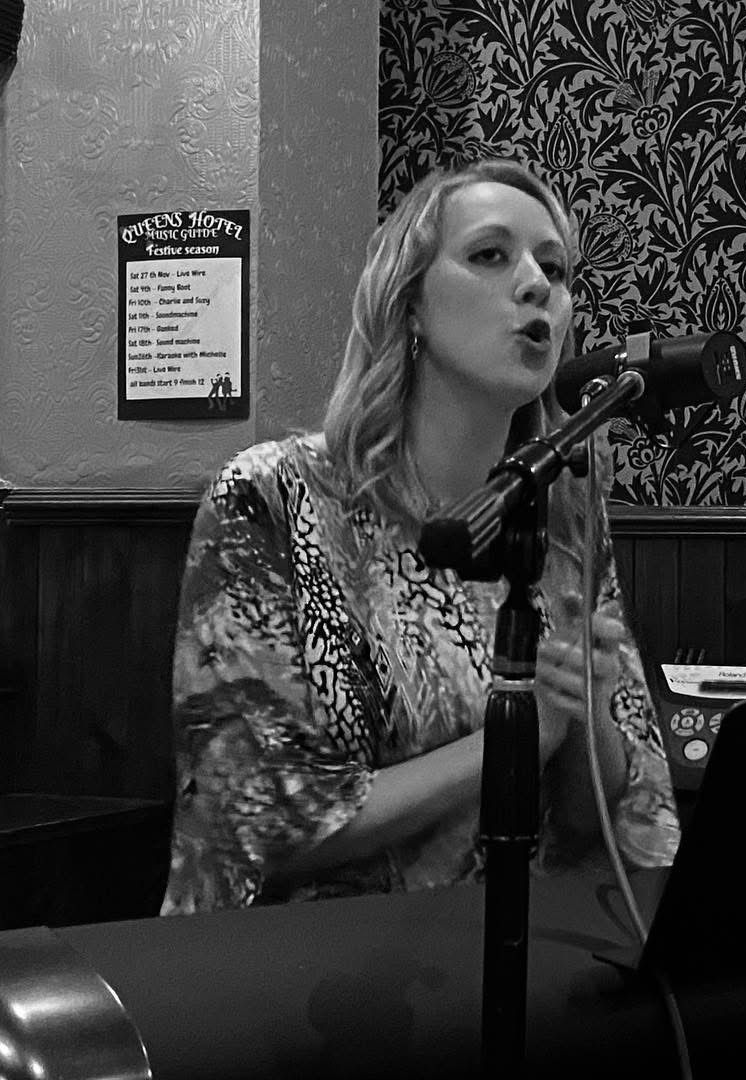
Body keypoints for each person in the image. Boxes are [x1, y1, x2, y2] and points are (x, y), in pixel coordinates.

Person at [161, 159, 681, 914]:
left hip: (512, 940)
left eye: (555, 267)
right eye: (490, 255)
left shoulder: (563, 514)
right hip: (308, 961)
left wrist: (586, 715)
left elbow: (598, 822)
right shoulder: (273, 496)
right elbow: (258, 821)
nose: (536, 285)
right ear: (408, 304)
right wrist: (514, 736)